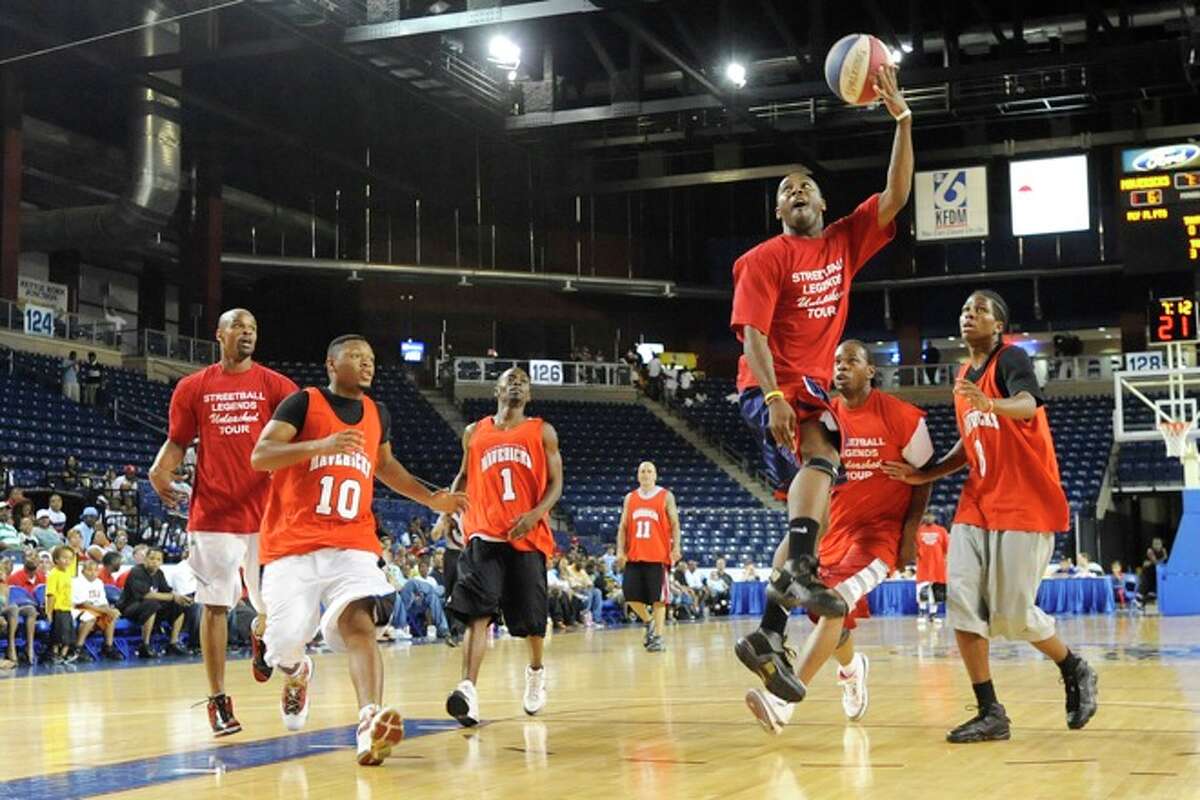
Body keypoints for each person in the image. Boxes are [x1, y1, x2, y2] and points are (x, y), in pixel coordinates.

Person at [729, 63, 912, 700]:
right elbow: (751, 333)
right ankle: (801, 581)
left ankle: (767, 632)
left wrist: (903, 121)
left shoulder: (842, 242)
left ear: (824, 203)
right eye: (786, 190)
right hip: (775, 389)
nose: (797, 191)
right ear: (777, 208)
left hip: (799, 394)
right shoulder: (762, 259)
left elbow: (893, 196)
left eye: (806, 186)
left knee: (804, 509)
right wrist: (776, 395)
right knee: (827, 447)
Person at [883, 289, 1098, 743]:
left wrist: (992, 404)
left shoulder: (1011, 359)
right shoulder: (963, 376)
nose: (969, 315)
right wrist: (928, 474)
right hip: (978, 501)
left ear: (998, 325)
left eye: (980, 310)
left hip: (1026, 501)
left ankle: (1072, 665)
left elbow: (1028, 403)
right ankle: (990, 711)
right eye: (964, 309)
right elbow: (970, 438)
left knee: (1013, 616)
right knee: (961, 605)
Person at [251, 334, 467, 766]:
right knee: (286, 640)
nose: (367, 364)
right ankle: (296, 671)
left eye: (370, 358)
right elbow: (261, 456)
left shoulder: (376, 413)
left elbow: (386, 467)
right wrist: (320, 445)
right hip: (292, 544)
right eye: (356, 357)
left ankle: (369, 721)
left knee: (360, 625)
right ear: (332, 363)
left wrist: (431, 498)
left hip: (352, 542)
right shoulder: (302, 403)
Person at [745, 339, 933, 733]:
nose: (842, 367)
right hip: (834, 531)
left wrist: (911, 531)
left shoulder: (902, 417)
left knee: (835, 605)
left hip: (877, 538)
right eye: (836, 361)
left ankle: (783, 702)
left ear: (870, 371)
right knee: (827, 615)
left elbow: (925, 475)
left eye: (852, 361)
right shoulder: (823, 419)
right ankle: (851, 668)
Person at [148, 308, 297, 737]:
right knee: (213, 605)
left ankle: (261, 634)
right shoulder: (194, 387)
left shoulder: (276, 386)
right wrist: (159, 470)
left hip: (267, 512)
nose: (247, 333)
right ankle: (217, 699)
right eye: (239, 327)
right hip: (213, 513)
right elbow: (177, 442)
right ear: (220, 335)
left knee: (276, 609)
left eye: (252, 328)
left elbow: (299, 438)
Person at [442, 367, 563, 728]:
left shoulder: (542, 431)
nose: (517, 384)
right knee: (478, 612)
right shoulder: (474, 431)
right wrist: (449, 508)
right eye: (510, 379)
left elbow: (557, 483)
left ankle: (536, 671)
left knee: (531, 620)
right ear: (496, 389)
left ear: (529, 396)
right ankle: (468, 690)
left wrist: (536, 514)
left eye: (523, 382)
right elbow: (464, 475)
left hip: (527, 536)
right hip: (483, 533)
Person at [615, 461, 680, 651]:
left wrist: (676, 547)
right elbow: (623, 527)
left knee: (658, 599)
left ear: (655, 475)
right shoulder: (630, 498)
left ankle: (657, 637)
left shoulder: (666, 496)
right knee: (629, 594)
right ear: (638, 475)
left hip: (658, 555)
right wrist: (620, 550)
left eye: (649, 471)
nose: (645, 474)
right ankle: (649, 621)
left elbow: (675, 524)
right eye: (642, 471)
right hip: (635, 554)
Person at [118, 546, 191, 659]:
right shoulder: (137, 571)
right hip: (129, 607)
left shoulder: (159, 574)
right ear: (145, 559)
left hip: (150, 608)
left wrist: (180, 597)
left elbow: (167, 591)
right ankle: (145, 645)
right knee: (151, 604)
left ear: (161, 561)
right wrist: (173, 597)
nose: (155, 562)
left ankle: (173, 643)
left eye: (158, 559)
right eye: (152, 558)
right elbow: (147, 595)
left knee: (178, 604)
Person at [71, 559, 123, 661]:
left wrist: (110, 610)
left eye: (96, 570)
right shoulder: (76, 582)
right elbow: (84, 604)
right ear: (83, 571)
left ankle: (108, 646)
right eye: (89, 570)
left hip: (96, 609)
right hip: (78, 608)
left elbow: (103, 602)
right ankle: (78, 648)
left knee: (111, 616)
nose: (93, 573)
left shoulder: (98, 582)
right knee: (90, 617)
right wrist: (106, 611)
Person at [0, 558, 37, 665]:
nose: (1, 573)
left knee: (30, 609)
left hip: (5, 610)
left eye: (2, 571)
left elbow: (5, 604)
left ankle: (29, 647)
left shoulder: (5, 587)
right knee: (13, 608)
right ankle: (11, 646)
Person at [915, 512, 950, 625]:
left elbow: (946, 548)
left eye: (931, 516)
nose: (929, 518)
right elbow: (914, 547)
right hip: (923, 566)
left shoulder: (941, 531)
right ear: (923, 517)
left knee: (936, 592)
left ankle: (933, 615)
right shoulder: (918, 531)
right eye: (926, 515)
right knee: (922, 591)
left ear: (934, 518)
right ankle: (921, 613)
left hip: (938, 566)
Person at [46, 545, 77, 664]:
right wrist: (49, 612)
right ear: (56, 559)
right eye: (64, 558)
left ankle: (64, 655)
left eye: (70, 558)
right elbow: (51, 594)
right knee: (58, 635)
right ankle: (55, 654)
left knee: (68, 634)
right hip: (57, 609)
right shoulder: (54, 574)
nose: (67, 561)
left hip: (67, 608)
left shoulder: (68, 573)